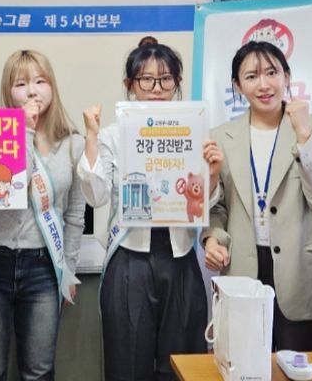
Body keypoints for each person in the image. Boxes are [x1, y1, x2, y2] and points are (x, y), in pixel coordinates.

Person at [78, 38, 223, 381]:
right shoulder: (112, 136)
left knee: (180, 364)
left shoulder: (193, 131)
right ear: (130, 84)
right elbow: (96, 194)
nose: (157, 89)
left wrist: (213, 174)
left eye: (166, 79)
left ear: (176, 83)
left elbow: (203, 204)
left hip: (181, 259)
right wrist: (91, 138)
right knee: (127, 364)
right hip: (129, 259)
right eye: (146, 79)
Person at [201, 41, 312, 351]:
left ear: (286, 77)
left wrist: (304, 137)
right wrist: (213, 240)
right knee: (244, 365)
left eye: (271, 73)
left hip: (304, 272)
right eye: (251, 76)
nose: (264, 84)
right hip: (244, 267)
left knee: (302, 366)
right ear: (237, 86)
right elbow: (218, 208)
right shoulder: (220, 137)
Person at [0, 50, 85, 380]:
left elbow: (75, 214)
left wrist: (68, 269)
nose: (32, 91)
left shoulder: (73, 143)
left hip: (44, 266)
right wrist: (23, 131)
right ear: (8, 91)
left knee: (39, 371)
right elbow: (13, 183)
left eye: (40, 81)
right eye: (21, 84)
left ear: (52, 86)